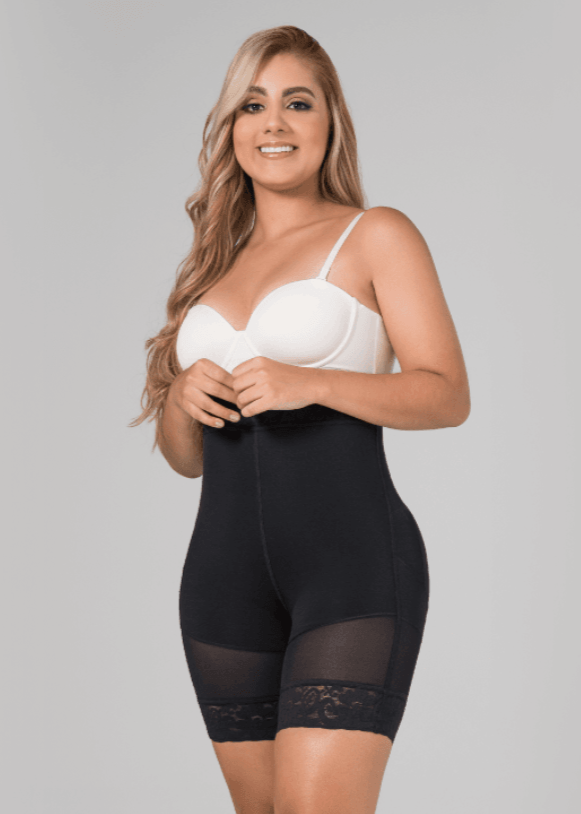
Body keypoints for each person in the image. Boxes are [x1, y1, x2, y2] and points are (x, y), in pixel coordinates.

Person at [130, 24, 470, 814]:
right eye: (252, 105)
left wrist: (310, 382)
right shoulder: (210, 269)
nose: (273, 123)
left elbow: (446, 393)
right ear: (231, 128)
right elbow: (187, 459)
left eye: (297, 102)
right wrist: (179, 401)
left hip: (350, 569)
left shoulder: (374, 233)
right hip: (222, 581)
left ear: (329, 122)